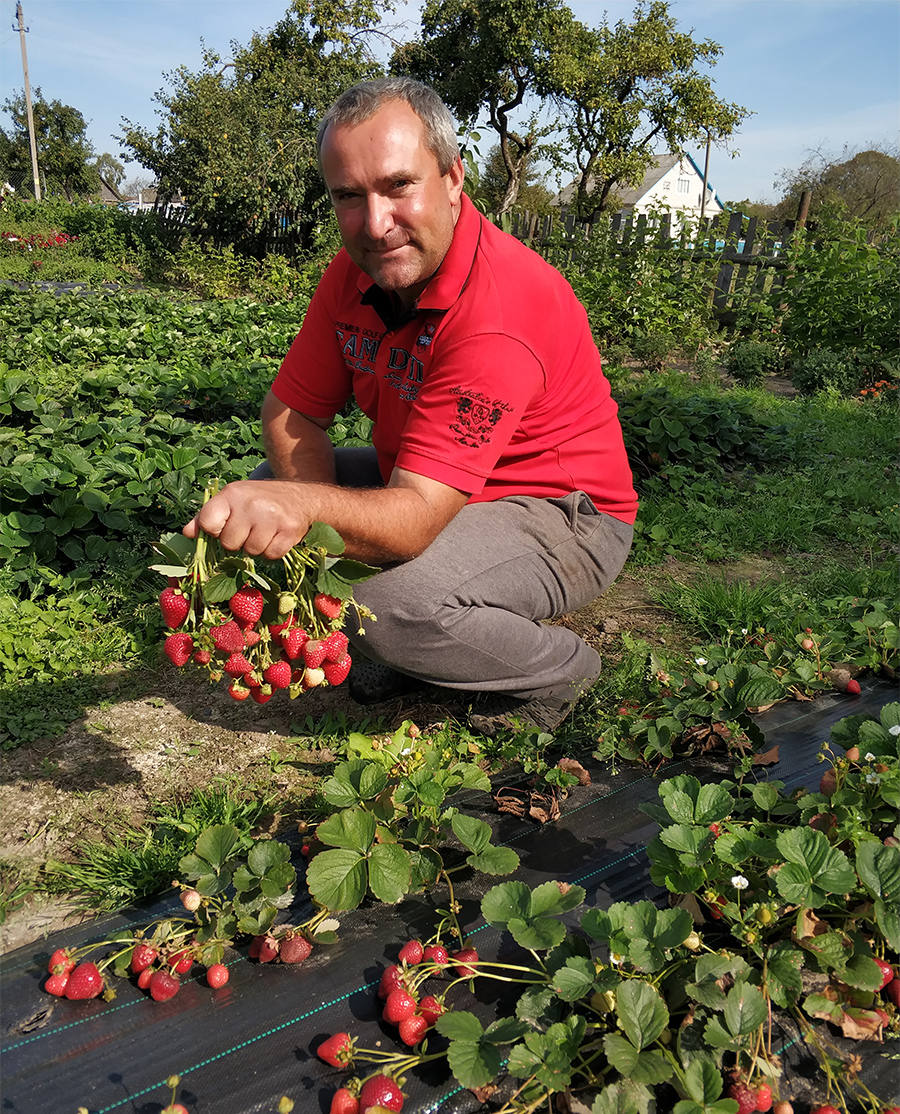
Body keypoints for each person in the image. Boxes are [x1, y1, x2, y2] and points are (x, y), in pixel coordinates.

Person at [184, 76, 638, 736]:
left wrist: (312, 521)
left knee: (382, 601)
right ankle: (416, 650)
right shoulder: (356, 274)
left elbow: (417, 518)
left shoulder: (498, 309)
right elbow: (291, 411)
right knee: (263, 497)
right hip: (430, 482)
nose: (375, 223)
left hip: (563, 512)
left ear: (454, 178)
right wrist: (310, 538)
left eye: (399, 186)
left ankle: (557, 669)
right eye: (349, 196)